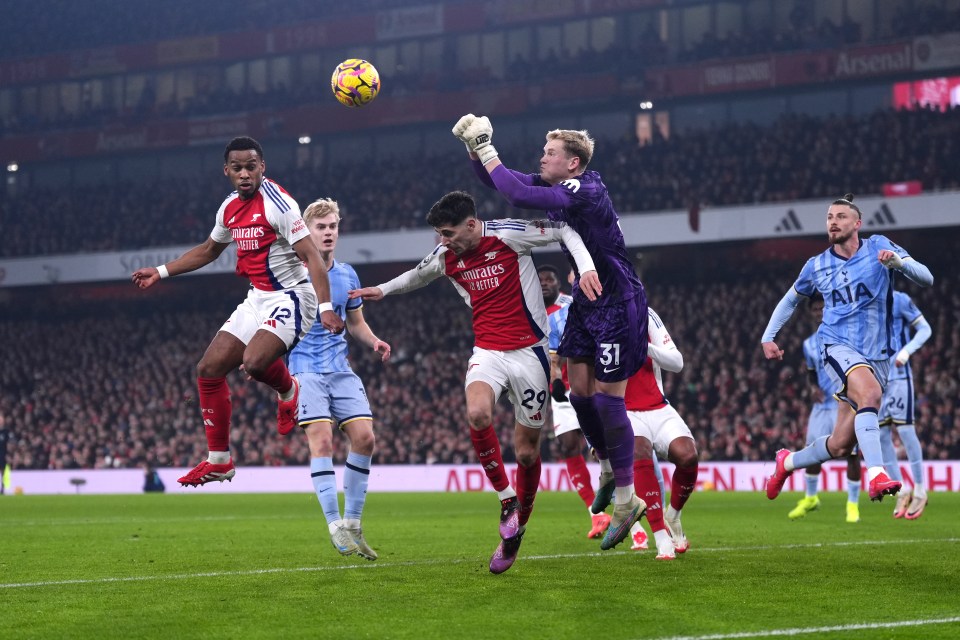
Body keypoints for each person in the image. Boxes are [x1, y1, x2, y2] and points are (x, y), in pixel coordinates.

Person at [349, 190, 601, 574]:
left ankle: (515, 532)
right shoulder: (447, 256)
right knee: (478, 414)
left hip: (531, 354)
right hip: (488, 352)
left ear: (471, 224)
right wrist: (381, 290)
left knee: (529, 453)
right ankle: (506, 500)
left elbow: (565, 230)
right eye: (439, 235)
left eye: (448, 233)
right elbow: (418, 275)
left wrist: (585, 269)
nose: (443, 241)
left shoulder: (509, 235)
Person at [454, 115, 649, 550]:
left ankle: (625, 500)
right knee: (577, 394)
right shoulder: (561, 191)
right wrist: (473, 148)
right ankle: (605, 464)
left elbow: (518, 192)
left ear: (573, 163)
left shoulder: (587, 189)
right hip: (587, 300)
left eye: (550, 153)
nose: (542, 157)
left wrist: (487, 145)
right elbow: (498, 183)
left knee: (605, 398)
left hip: (618, 302)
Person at [132, 136, 344, 487]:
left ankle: (289, 390)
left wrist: (324, 308)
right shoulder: (229, 207)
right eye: (237, 168)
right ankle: (220, 461)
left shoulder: (280, 204)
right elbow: (208, 250)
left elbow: (313, 258)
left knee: (255, 361)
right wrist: (162, 271)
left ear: (262, 167)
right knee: (208, 369)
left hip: (293, 297)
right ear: (227, 171)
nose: (244, 174)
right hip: (257, 298)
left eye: (251, 166)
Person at [761, 194, 933, 503]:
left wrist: (898, 263)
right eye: (829, 217)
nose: (833, 222)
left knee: (840, 445)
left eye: (840, 216)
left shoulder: (879, 246)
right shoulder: (817, 265)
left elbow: (927, 278)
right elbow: (791, 299)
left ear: (857, 223)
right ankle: (877, 474)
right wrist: (769, 336)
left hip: (877, 355)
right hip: (836, 346)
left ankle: (786, 463)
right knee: (870, 394)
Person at [287, 198, 391, 560]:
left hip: (340, 368)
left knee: (365, 438)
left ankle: (353, 524)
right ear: (307, 231)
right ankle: (333, 525)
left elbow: (356, 323)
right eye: (321, 227)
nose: (328, 232)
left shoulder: (347, 274)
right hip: (304, 369)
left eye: (332, 226)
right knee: (322, 441)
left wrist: (374, 340)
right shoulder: (290, 274)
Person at [540, 263, 611, 539]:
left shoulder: (571, 305)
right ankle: (596, 515)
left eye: (549, 279)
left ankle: (627, 504)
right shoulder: (530, 311)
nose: (544, 283)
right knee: (569, 446)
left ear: (558, 284)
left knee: (601, 447)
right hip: (559, 389)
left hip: (587, 383)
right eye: (540, 279)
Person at [622, 307, 699, 560]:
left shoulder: (645, 313)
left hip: (658, 406)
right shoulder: (595, 316)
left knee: (688, 456)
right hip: (624, 409)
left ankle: (673, 515)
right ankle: (660, 536)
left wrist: (644, 348)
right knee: (639, 452)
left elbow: (677, 362)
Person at [787, 293, 862, 524]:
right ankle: (811, 498)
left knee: (851, 454)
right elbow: (811, 373)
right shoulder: (809, 344)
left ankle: (852, 504)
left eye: (822, 308)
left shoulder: (845, 337)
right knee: (812, 451)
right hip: (821, 407)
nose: (819, 313)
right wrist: (811, 388)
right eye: (815, 310)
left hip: (845, 403)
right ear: (810, 313)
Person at [879, 289, 933, 520]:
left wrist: (906, 351)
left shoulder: (899, 299)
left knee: (905, 432)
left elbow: (925, 329)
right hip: (876, 380)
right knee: (881, 436)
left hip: (900, 377)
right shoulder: (863, 300)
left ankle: (920, 488)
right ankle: (901, 490)